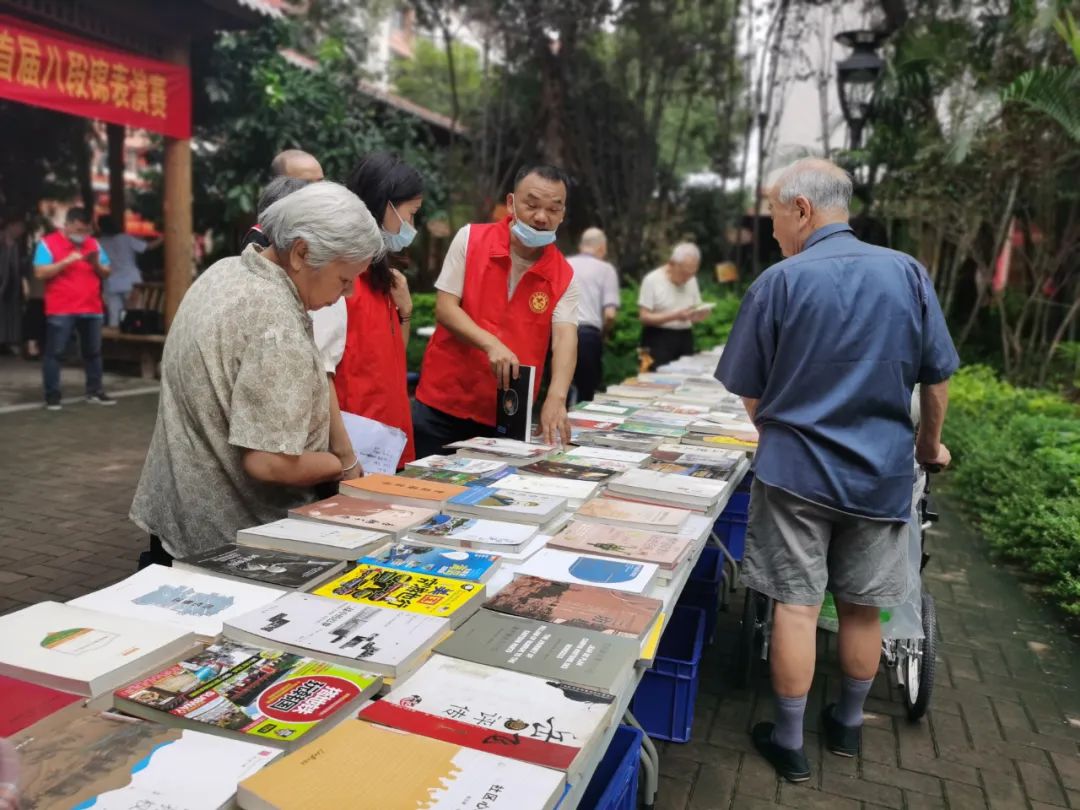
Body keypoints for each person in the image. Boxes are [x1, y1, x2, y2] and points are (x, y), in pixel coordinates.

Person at [714, 158, 959, 782]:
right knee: (861, 609)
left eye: (773, 214)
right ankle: (847, 729)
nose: (772, 231)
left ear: (802, 209)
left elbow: (750, 392)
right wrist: (929, 446)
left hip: (795, 474)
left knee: (795, 606)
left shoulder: (780, 281)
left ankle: (790, 742)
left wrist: (782, 431)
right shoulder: (907, 273)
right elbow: (936, 376)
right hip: (880, 474)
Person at [129, 182, 383, 566]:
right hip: (231, 538)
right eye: (343, 279)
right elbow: (269, 462)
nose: (345, 294)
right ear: (301, 252)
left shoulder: (225, 271)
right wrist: (340, 465)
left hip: (177, 515)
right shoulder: (277, 324)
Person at [413, 164, 580, 456]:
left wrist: (557, 396)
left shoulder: (563, 274)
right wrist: (491, 344)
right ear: (511, 203)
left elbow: (565, 337)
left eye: (554, 209)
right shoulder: (471, 239)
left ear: (563, 214)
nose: (541, 217)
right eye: (532, 205)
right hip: (444, 402)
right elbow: (446, 308)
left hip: (506, 416)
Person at [330, 152, 423, 467]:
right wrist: (344, 456)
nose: (411, 226)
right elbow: (322, 373)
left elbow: (390, 357)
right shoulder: (342, 278)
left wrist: (405, 312)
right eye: (409, 214)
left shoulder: (384, 275)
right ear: (384, 204)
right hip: (354, 448)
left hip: (386, 443)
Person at [33, 207, 113, 410]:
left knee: (93, 352)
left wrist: (96, 264)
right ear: (67, 225)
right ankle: (52, 395)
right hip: (61, 308)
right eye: (78, 230)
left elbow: (106, 272)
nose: (83, 235)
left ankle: (95, 391)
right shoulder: (48, 243)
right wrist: (65, 262)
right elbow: (40, 273)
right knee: (55, 353)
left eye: (86, 230)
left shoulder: (93, 244)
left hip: (92, 307)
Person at [568, 227, 620, 403]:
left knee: (559, 390)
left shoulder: (563, 264)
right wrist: (604, 334)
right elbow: (610, 314)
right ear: (601, 248)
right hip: (588, 337)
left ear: (582, 245)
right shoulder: (606, 270)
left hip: (560, 333)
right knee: (586, 395)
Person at [638, 242, 709, 369]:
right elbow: (644, 317)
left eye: (692, 274)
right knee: (654, 380)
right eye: (684, 273)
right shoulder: (652, 280)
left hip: (685, 336)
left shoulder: (691, 280)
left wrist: (699, 315)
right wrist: (675, 316)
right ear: (671, 264)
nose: (687, 278)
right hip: (657, 337)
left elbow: (695, 308)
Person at [98, 215, 161, 328]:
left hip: (111, 283)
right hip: (131, 282)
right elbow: (148, 247)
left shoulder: (100, 243)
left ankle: (115, 342)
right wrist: (163, 238)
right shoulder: (125, 238)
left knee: (114, 316)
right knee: (134, 315)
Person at [0, 216, 26, 354]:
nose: (21, 231)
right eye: (19, 227)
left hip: (12, 284)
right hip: (3, 281)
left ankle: (6, 342)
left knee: (9, 314)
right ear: (11, 225)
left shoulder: (15, 244)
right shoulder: (3, 240)